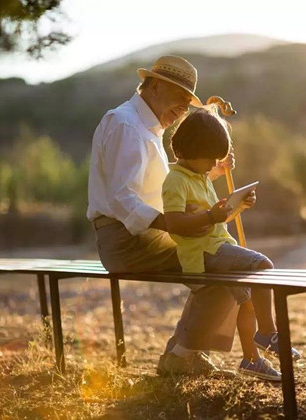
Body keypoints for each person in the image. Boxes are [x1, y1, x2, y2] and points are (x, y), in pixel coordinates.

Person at [87, 55, 241, 374]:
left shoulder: (145, 126)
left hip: (139, 236)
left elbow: (158, 187)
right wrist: (172, 224)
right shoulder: (126, 124)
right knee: (224, 263)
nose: (184, 110)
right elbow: (122, 198)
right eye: (181, 100)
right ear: (155, 86)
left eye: (188, 104)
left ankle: (184, 352)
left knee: (223, 260)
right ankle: (182, 355)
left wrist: (206, 169)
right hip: (127, 241)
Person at [161, 108, 301, 381]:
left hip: (216, 245)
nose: (214, 163)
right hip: (202, 253)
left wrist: (237, 208)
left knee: (246, 301)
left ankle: (251, 359)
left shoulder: (200, 177)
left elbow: (214, 220)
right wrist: (212, 215)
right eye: (210, 158)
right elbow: (174, 224)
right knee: (261, 264)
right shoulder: (176, 181)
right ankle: (267, 333)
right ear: (190, 150)